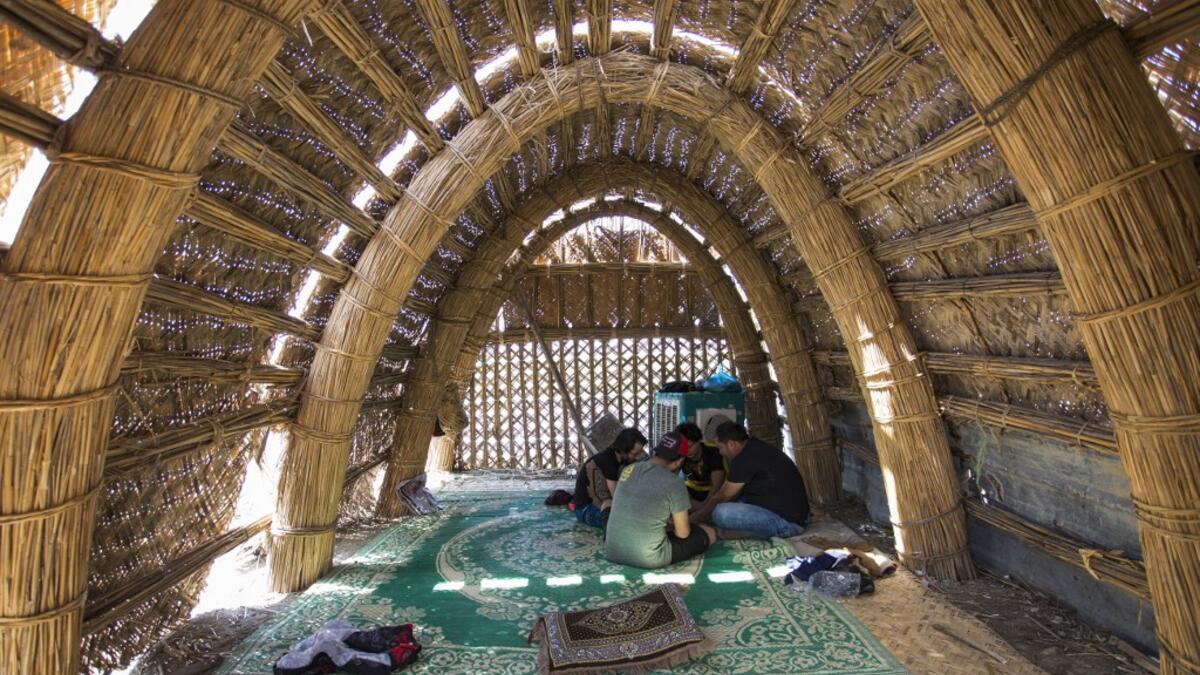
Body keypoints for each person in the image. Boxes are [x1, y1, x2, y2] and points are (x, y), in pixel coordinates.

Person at [605, 432, 716, 568]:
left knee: (607, 504)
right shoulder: (675, 483)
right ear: (679, 461)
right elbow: (683, 533)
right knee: (709, 533)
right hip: (648, 557)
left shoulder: (629, 469)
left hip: (612, 551)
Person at [689, 421, 809, 539]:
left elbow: (723, 495)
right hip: (795, 516)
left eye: (720, 447)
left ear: (731, 444)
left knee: (720, 512)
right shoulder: (754, 446)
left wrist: (696, 517)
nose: (720, 452)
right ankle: (744, 532)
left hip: (787, 524)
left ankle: (750, 533)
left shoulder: (744, 459)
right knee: (731, 503)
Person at [572, 427, 647, 529]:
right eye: (635, 454)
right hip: (586, 509)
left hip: (604, 504)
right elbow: (617, 498)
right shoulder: (608, 461)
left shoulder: (622, 460)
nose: (638, 457)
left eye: (640, 452)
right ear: (622, 451)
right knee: (628, 523)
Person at [674, 422, 726, 508]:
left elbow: (717, 485)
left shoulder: (713, 452)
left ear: (699, 440)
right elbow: (671, 478)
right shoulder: (680, 453)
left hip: (712, 492)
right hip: (691, 492)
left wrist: (705, 504)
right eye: (683, 447)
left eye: (689, 446)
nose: (686, 451)